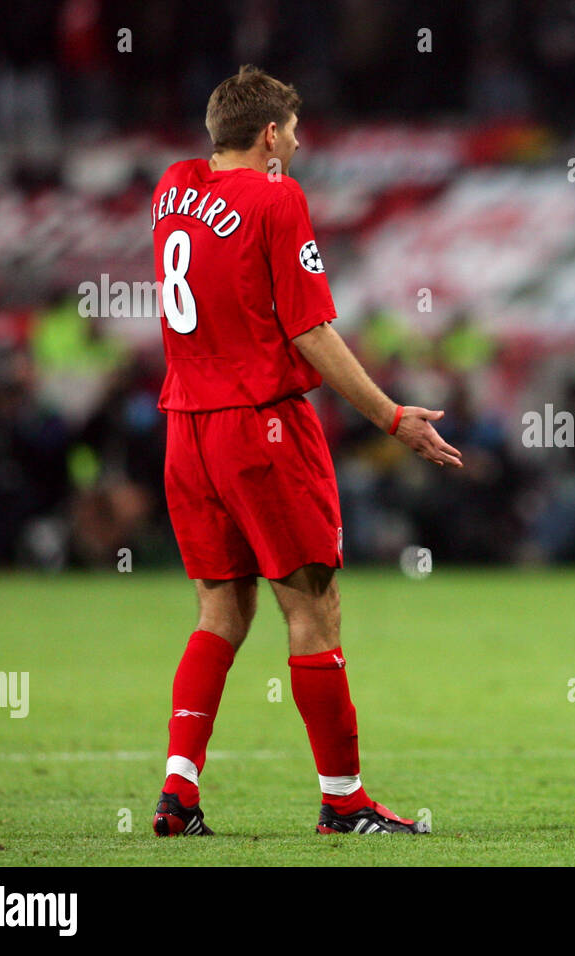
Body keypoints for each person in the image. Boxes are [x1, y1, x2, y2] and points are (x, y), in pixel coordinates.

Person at [150, 65, 462, 837]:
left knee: (221, 609)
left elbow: (208, 182)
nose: (297, 141)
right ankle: (344, 800)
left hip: (184, 425)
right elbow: (311, 332)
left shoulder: (171, 188)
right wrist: (393, 417)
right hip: (260, 425)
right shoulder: (278, 197)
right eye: (290, 129)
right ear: (269, 137)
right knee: (312, 606)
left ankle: (178, 792)